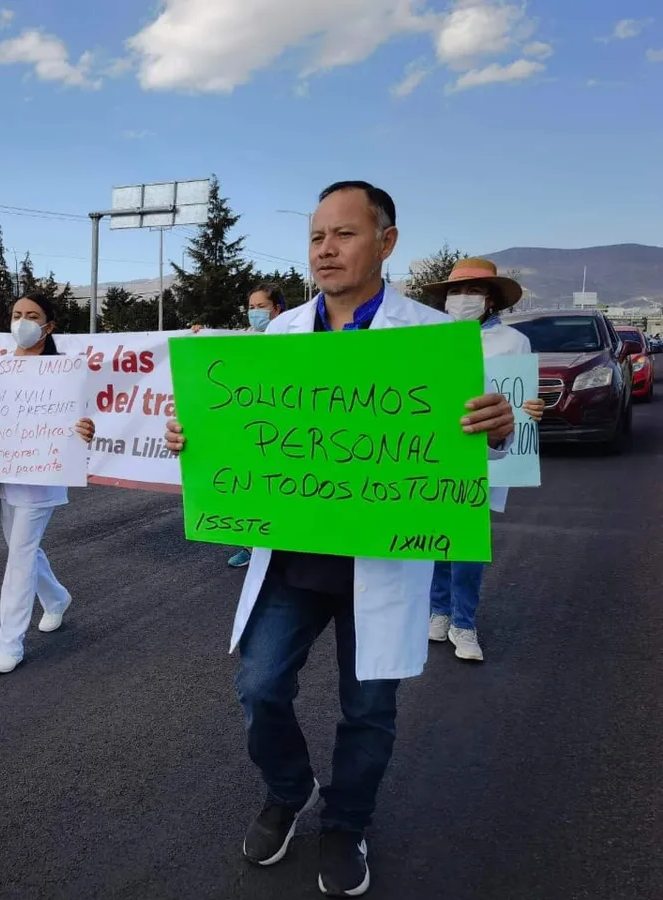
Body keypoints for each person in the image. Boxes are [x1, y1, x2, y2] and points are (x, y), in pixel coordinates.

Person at [164, 182, 515, 897]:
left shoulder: (432, 341)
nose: (325, 249)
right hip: (294, 557)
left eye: (344, 234)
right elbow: (243, 433)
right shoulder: (280, 336)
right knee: (259, 686)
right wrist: (190, 436)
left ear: (386, 242)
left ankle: (347, 823)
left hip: (383, 556)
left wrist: (497, 430)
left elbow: (473, 448)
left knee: (369, 710)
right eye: (317, 237)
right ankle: (289, 790)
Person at [0, 291, 95, 675]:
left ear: (49, 326)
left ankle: (9, 644)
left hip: (42, 480)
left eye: (32, 315)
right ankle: (56, 598)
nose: (22, 322)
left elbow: (90, 419)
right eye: (16, 314)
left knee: (19, 559)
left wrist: (88, 429)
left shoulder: (63, 373)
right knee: (20, 549)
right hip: (4, 475)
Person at [421, 258, 546, 662]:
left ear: (490, 299)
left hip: (485, 453)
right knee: (437, 537)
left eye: (472, 291)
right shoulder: (430, 336)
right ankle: (438, 611)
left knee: (469, 542)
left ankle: (463, 622)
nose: (463, 298)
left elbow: (522, 398)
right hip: (437, 451)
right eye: (456, 291)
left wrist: (532, 409)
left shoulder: (513, 342)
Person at [226, 284, 287, 568]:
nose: (255, 312)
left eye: (261, 307)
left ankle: (281, 546)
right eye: (251, 307)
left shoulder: (293, 336)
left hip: (281, 424)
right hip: (249, 422)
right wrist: (198, 336)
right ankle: (250, 547)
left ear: (276, 309)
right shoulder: (243, 338)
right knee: (248, 487)